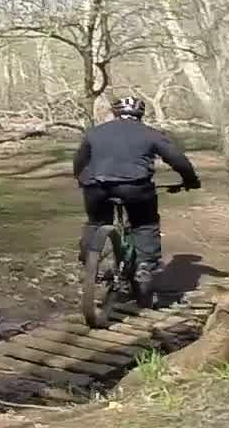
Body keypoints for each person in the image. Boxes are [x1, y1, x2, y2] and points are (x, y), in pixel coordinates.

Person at [72, 95, 200, 293]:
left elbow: (79, 159)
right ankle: (145, 265)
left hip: (96, 185)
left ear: (115, 113)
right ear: (141, 113)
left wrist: (80, 176)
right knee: (145, 224)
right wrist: (190, 179)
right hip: (135, 187)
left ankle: (89, 256)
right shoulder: (151, 133)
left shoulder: (95, 132)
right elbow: (177, 159)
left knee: (96, 222)